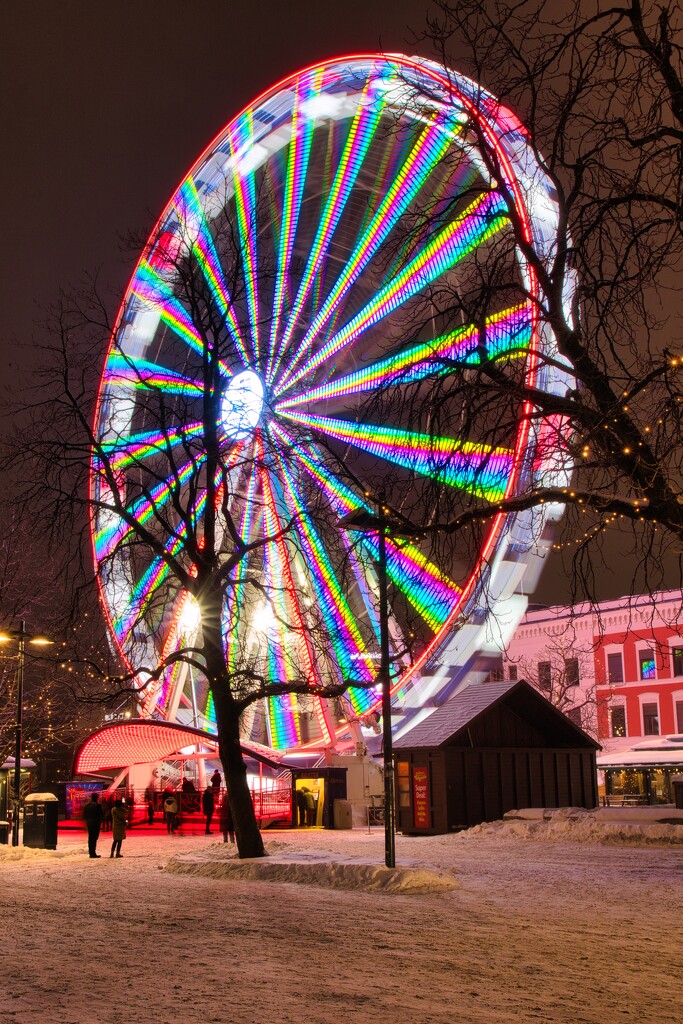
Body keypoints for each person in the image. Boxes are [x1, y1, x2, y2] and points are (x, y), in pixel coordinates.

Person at [83, 792, 104, 858]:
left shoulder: (86, 805)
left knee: (90, 838)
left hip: (89, 823)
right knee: (94, 838)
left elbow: (84, 815)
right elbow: (101, 815)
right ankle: (93, 853)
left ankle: (91, 852)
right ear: (96, 798)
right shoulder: (98, 805)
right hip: (96, 823)